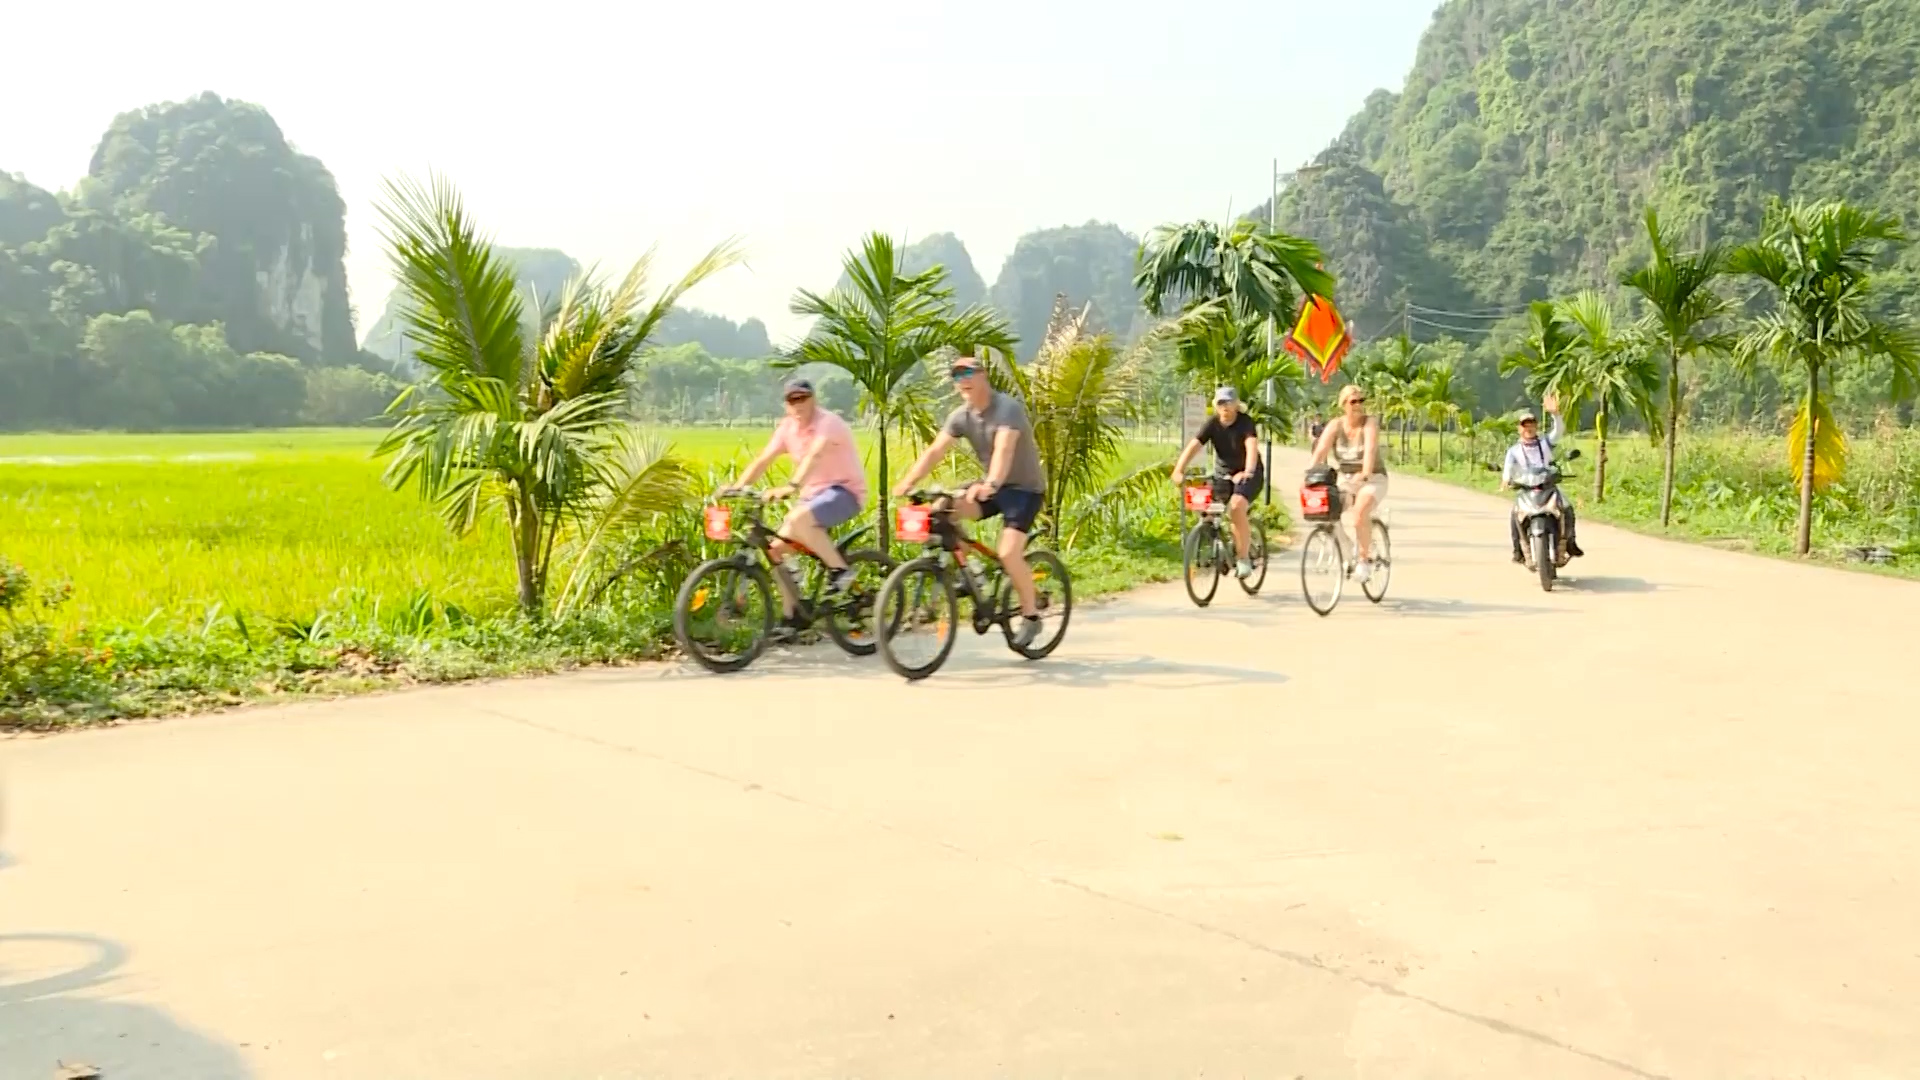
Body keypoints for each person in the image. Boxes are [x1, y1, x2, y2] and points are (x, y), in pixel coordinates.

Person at [892, 355, 1049, 648]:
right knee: (942, 510)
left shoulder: (1007, 409)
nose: (962, 379)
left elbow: (1003, 450)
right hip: (990, 486)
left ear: (983, 375)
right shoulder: (961, 416)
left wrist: (990, 484)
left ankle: (1030, 617)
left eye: (967, 372)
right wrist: (908, 481)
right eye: (956, 375)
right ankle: (970, 574)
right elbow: (935, 451)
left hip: (1023, 490)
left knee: (1008, 553)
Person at [729, 377, 868, 631]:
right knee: (774, 551)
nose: (798, 404)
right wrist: (737, 488)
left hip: (844, 492)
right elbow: (763, 460)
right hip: (812, 498)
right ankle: (792, 615)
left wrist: (791, 486)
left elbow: (814, 455)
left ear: (813, 399)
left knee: (799, 517)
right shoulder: (787, 428)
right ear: (786, 404)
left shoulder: (829, 423)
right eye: (792, 399)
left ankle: (840, 571)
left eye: (803, 398)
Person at [1171, 386, 1262, 579]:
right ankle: (1217, 546)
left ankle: (1244, 558)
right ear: (1216, 406)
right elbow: (1194, 445)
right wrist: (1178, 470)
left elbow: (1251, 446)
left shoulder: (1245, 423)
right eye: (1221, 403)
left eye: (1229, 403)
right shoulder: (1212, 424)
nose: (1225, 407)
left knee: (1236, 507)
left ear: (1237, 405)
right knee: (1205, 506)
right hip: (1223, 475)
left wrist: (1248, 471)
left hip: (1249, 474)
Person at [1309, 383, 1388, 583]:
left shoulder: (1369, 423)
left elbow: (1370, 450)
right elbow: (1320, 451)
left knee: (1359, 513)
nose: (1358, 405)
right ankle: (1345, 551)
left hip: (1373, 478)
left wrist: (1365, 472)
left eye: (1361, 400)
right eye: (1353, 401)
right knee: (1328, 512)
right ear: (1343, 404)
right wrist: (1310, 475)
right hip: (1346, 479)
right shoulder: (1336, 425)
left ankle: (1364, 560)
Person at [1500, 392, 1583, 562]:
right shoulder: (1514, 451)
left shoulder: (1545, 443)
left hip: (1548, 486)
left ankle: (1571, 543)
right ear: (1519, 428)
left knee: (1567, 508)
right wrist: (1506, 480)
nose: (1528, 428)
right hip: (1526, 489)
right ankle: (1518, 551)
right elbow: (1508, 468)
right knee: (1515, 515)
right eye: (1525, 425)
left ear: (1536, 427)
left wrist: (1555, 414)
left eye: (1531, 425)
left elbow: (1558, 431)